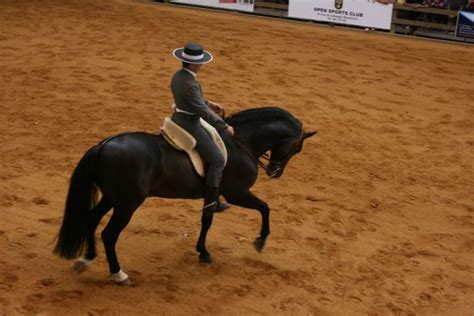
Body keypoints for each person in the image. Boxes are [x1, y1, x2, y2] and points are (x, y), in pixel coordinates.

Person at [170, 43, 234, 214]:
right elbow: (201, 111)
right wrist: (224, 125)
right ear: (193, 64)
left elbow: (192, 98)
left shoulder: (178, 75)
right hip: (189, 123)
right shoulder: (190, 82)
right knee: (218, 160)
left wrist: (209, 103)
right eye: (200, 62)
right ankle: (211, 202)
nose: (201, 65)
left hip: (177, 117)